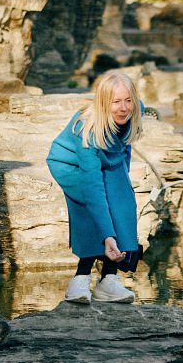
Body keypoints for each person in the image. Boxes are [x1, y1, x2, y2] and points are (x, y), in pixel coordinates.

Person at [46, 70, 143, 304]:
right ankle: (80, 280)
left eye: (127, 100)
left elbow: (124, 148)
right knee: (93, 206)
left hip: (109, 158)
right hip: (70, 164)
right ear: (102, 103)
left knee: (122, 200)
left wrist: (123, 183)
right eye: (115, 102)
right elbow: (93, 189)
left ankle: (109, 279)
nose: (123, 107)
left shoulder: (134, 109)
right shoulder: (86, 129)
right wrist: (108, 236)